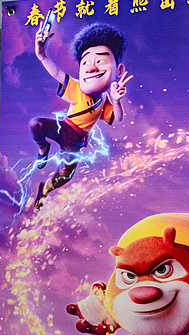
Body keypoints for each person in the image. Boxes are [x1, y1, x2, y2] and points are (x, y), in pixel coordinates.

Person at [29, 22, 132, 210]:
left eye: (100, 61)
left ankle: (45, 188)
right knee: (36, 124)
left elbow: (118, 118)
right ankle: (43, 150)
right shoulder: (76, 87)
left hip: (75, 141)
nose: (91, 68)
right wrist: (42, 55)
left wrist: (116, 100)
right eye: (85, 62)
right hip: (64, 128)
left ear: (118, 70)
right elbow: (57, 73)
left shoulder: (104, 102)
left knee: (64, 176)